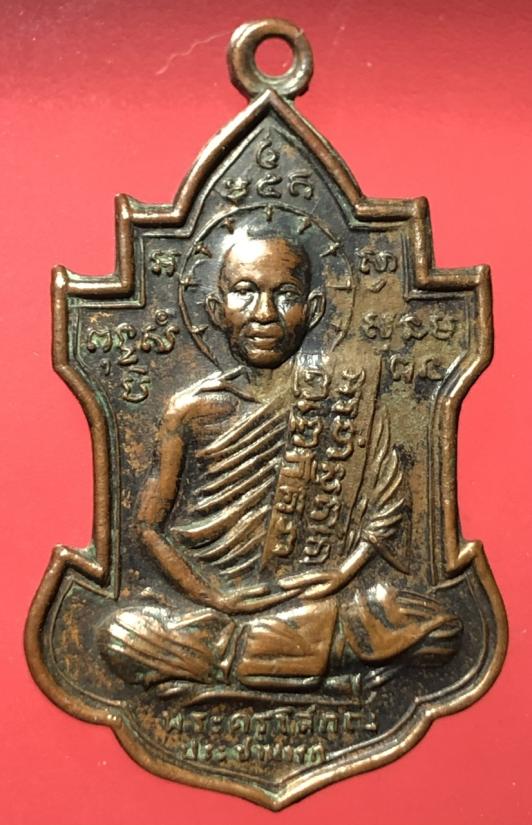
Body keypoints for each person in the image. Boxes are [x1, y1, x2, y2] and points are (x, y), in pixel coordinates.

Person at [100, 233, 461, 693]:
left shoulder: (343, 397)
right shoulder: (189, 411)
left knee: (439, 630)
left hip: (315, 598)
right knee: (122, 636)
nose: (265, 314)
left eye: (285, 295)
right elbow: (147, 527)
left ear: (313, 311)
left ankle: (238, 659)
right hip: (218, 608)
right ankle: (286, 655)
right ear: (217, 310)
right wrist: (214, 597)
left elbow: (388, 506)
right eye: (245, 293)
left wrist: (344, 571)